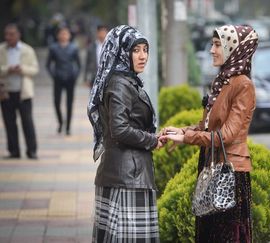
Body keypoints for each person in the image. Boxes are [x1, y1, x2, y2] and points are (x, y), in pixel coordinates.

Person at [160, 24, 258, 243]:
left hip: (229, 171)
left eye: (217, 45)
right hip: (212, 163)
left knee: (225, 236)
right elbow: (207, 126)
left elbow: (225, 136)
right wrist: (183, 131)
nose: (212, 50)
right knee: (210, 234)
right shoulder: (223, 80)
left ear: (235, 49)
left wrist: (187, 138)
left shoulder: (243, 85)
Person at [87, 25, 163, 242]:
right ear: (121, 52)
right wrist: (152, 140)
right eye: (135, 50)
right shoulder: (120, 84)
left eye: (145, 49)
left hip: (123, 173)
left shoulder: (124, 80)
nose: (142, 56)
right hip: (128, 178)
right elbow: (119, 130)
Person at [0, 23, 39, 159]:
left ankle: (32, 151)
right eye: (6, 34)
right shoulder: (1, 50)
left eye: (11, 34)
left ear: (18, 35)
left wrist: (21, 69)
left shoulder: (27, 50)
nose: (8, 37)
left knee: (27, 122)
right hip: (6, 92)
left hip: (24, 93)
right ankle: (14, 151)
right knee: (9, 123)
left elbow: (34, 69)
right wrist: (7, 69)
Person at [46, 26, 81, 135]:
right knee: (56, 102)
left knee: (69, 103)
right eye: (61, 34)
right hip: (58, 78)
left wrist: (75, 76)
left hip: (70, 78)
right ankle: (61, 121)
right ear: (58, 35)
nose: (64, 36)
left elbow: (79, 64)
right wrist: (53, 75)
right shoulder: (53, 48)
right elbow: (48, 65)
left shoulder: (74, 48)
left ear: (69, 36)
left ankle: (68, 127)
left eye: (66, 34)